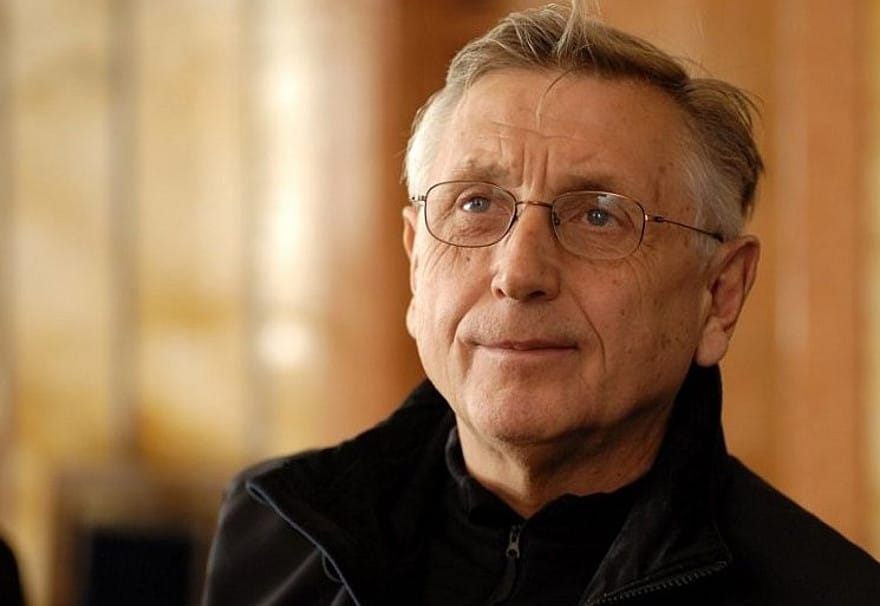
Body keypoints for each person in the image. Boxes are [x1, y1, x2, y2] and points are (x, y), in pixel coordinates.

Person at [202, 3, 880, 604]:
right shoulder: (276, 532)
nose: (519, 271)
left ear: (719, 294)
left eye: (599, 216)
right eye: (475, 204)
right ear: (416, 262)